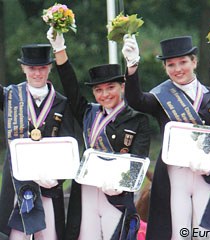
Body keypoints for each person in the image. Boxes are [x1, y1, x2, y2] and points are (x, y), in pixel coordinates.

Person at [121, 35, 210, 240]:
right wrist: (132, 66)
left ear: (194, 62)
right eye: (171, 65)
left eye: (183, 62)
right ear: (165, 68)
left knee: (207, 233)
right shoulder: (161, 97)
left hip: (207, 176)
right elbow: (136, 100)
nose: (178, 69)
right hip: (174, 177)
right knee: (179, 233)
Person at [46, 27, 151, 240]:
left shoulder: (138, 120)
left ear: (122, 87)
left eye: (110, 87)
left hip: (116, 194)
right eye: (98, 90)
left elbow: (138, 160)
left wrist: (120, 183)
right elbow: (71, 87)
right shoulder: (87, 112)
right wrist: (60, 49)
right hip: (86, 190)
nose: (105, 95)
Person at [0, 44, 76, 240]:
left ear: (50, 68)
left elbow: (68, 144)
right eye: (32, 68)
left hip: (48, 180)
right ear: (23, 68)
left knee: (50, 234)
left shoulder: (61, 102)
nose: (37, 73)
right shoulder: (9, 96)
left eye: (42, 68)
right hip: (17, 181)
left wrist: (57, 178)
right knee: (15, 235)